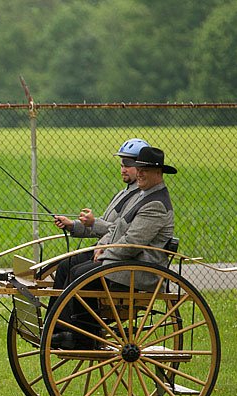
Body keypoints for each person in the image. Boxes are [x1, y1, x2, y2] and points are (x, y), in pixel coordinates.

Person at [51, 146, 177, 349]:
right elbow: (117, 230)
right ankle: (60, 329)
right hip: (126, 263)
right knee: (70, 267)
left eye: (144, 170)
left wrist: (105, 254)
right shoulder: (143, 196)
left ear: (158, 173)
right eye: (139, 168)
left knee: (81, 274)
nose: (140, 173)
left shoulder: (156, 204)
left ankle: (82, 336)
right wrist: (102, 246)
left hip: (139, 270)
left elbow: (132, 244)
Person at [52, 138, 150, 290]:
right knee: (65, 266)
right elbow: (104, 224)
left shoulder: (141, 198)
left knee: (76, 272)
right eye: (122, 165)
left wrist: (94, 224)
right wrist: (72, 225)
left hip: (116, 256)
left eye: (128, 165)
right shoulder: (123, 193)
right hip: (103, 248)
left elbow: (120, 231)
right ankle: (55, 314)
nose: (123, 169)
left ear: (143, 167)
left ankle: (68, 314)